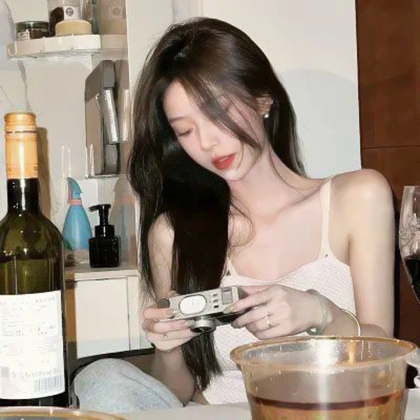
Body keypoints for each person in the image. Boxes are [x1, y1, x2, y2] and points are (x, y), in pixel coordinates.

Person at [73, 16, 395, 412]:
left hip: (329, 411)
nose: (207, 142)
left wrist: (321, 314)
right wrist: (169, 347)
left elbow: (386, 358)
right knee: (101, 378)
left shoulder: (358, 198)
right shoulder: (174, 232)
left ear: (262, 98)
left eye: (218, 111)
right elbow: (175, 393)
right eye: (185, 130)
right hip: (214, 412)